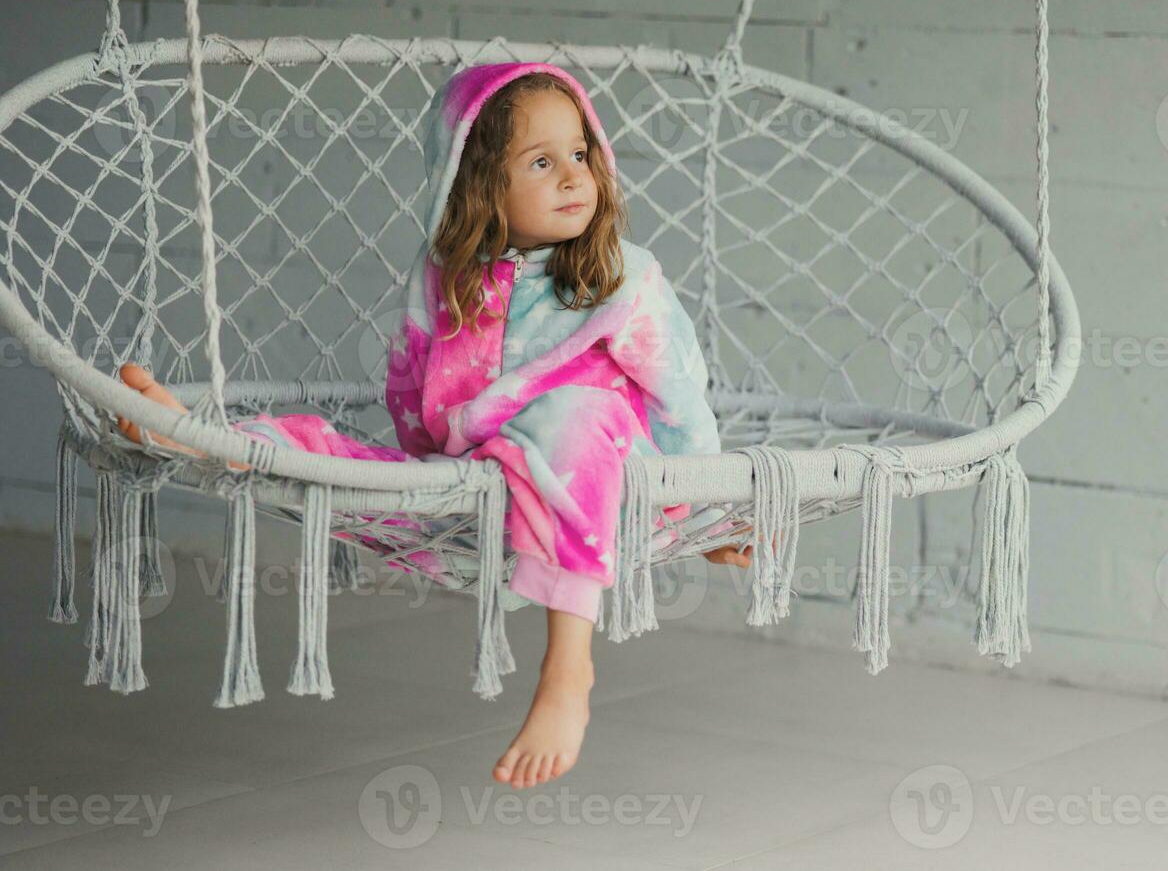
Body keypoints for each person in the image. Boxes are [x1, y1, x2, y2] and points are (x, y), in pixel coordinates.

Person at [113, 61, 761, 790]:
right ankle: (203, 437)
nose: (575, 177)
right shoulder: (442, 273)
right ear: (478, 183)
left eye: (580, 154)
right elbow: (410, 382)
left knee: (577, 408)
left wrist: (710, 513)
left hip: (606, 469)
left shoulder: (622, 274)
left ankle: (567, 669)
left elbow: (679, 394)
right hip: (479, 475)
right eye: (542, 162)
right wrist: (423, 478)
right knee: (334, 458)